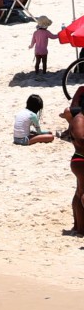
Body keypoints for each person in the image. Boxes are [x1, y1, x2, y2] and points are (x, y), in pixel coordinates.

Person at [66, 92, 84, 235]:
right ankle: (81, 228)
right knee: (82, 194)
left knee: (79, 193)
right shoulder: (79, 119)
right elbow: (81, 138)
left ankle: (78, 226)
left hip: (79, 159)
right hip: (80, 159)